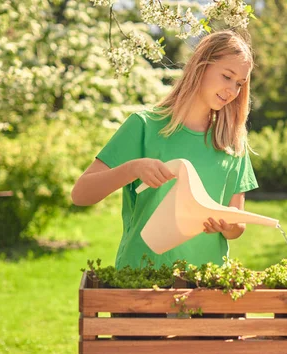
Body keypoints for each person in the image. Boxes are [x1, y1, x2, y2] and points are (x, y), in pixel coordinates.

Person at [71, 30, 258, 270]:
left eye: (240, 84)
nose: (232, 90)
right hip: (142, 281)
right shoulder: (144, 126)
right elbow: (81, 194)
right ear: (201, 66)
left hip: (209, 288)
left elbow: (237, 226)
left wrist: (227, 225)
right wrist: (134, 168)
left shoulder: (232, 143)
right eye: (226, 76)